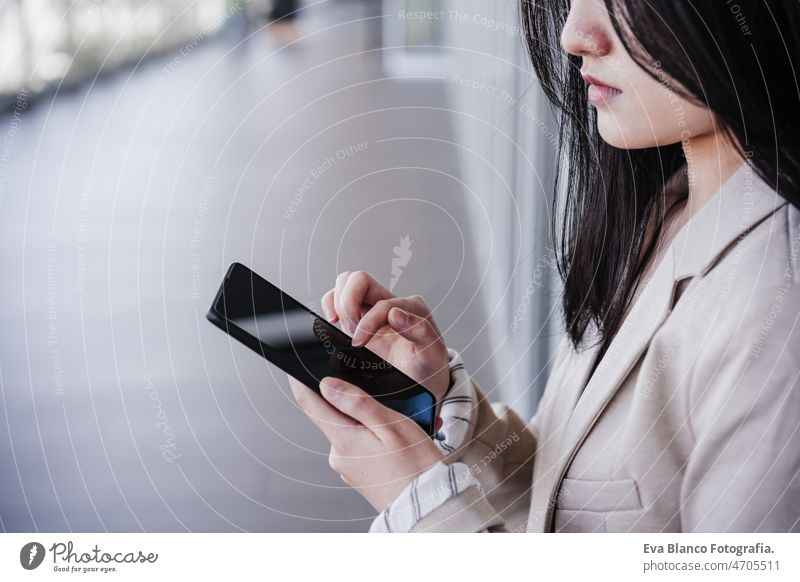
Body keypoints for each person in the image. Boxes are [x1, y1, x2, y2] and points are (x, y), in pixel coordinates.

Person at [288, 0, 800, 532]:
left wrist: (425, 511)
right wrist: (443, 401)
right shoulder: (664, 210)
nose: (574, 35)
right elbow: (567, 507)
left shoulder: (779, 313)